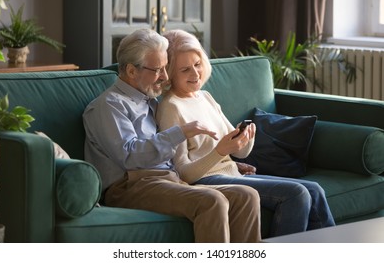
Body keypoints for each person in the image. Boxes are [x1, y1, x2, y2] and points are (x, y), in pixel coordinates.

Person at [82, 28, 261, 243]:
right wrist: (179, 133)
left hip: (169, 179)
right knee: (212, 201)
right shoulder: (109, 106)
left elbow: (179, 160)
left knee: (247, 195)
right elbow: (129, 156)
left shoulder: (150, 101)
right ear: (131, 71)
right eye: (158, 70)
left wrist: (227, 159)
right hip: (131, 186)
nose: (165, 77)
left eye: (165, 68)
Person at [156, 29, 336, 237]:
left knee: (314, 189)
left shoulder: (205, 97)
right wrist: (220, 152)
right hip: (203, 180)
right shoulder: (171, 107)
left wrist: (246, 138)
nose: (195, 74)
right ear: (169, 74)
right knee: (296, 194)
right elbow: (183, 173)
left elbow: (240, 154)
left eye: (197, 65)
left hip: (231, 171)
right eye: (185, 69)